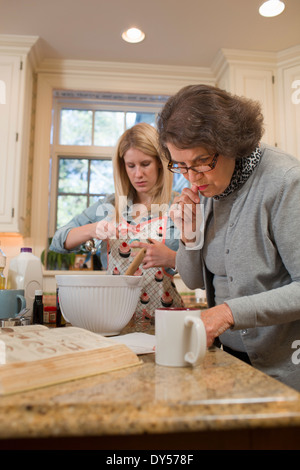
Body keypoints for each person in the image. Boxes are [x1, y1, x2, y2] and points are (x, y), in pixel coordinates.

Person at [157, 83, 300, 391]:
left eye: (201, 162)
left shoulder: (286, 182)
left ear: (232, 142)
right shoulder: (207, 190)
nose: (192, 178)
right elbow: (195, 280)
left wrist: (227, 313)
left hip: (286, 370)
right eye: (180, 165)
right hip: (231, 360)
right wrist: (189, 235)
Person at [50, 123, 183, 332]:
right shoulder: (109, 207)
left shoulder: (179, 205)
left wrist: (171, 258)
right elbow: (59, 241)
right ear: (122, 167)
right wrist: (93, 229)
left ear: (160, 163)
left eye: (145, 163)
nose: (138, 174)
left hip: (166, 324)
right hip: (116, 321)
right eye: (131, 166)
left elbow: (201, 269)